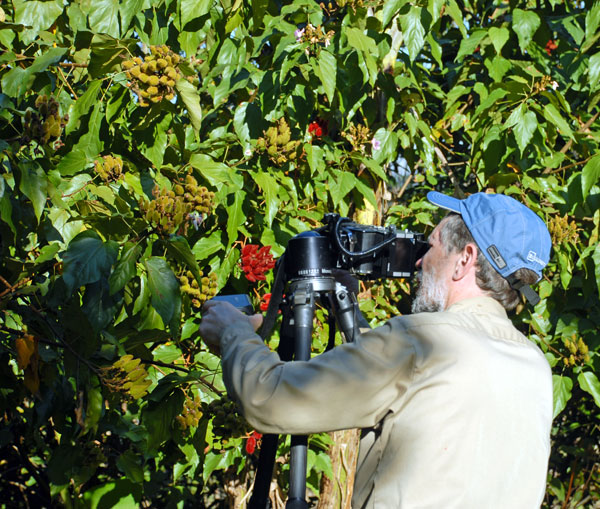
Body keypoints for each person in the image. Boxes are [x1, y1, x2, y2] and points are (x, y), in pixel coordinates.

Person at [199, 191, 553, 509]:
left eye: (429, 247)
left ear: (465, 259)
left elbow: (268, 398)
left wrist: (233, 333)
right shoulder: (534, 367)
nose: (419, 262)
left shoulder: (418, 344)